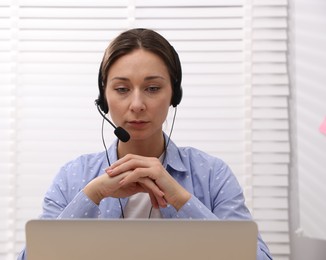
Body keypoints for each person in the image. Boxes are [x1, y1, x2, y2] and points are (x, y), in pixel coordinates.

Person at [17, 28, 272, 260]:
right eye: (122, 89)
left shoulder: (211, 174)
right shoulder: (73, 177)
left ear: (175, 94)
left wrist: (181, 198)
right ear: (103, 99)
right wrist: (92, 195)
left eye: (152, 88)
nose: (137, 104)